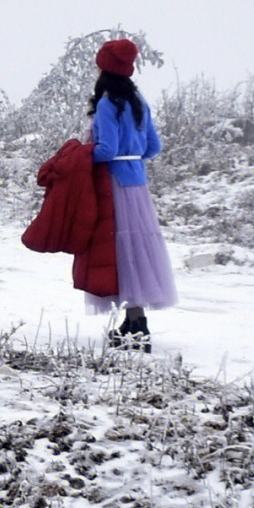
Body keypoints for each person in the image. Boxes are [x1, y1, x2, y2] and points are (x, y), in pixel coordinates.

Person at [86, 38, 177, 350]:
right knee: (139, 249)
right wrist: (133, 157)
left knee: (121, 250)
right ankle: (135, 321)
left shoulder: (108, 104)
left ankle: (136, 327)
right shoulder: (139, 103)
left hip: (115, 185)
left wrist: (82, 155)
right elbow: (154, 147)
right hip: (138, 184)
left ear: (104, 70)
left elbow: (107, 149)